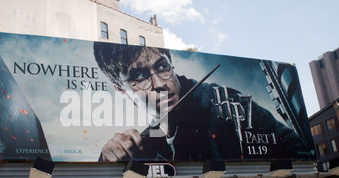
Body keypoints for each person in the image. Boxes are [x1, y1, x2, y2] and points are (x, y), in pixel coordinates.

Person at [93, 42, 311, 162]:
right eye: (139, 76)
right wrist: (110, 163)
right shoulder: (152, 136)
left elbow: (302, 156)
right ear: (121, 90)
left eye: (162, 67)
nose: (160, 83)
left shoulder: (226, 104)